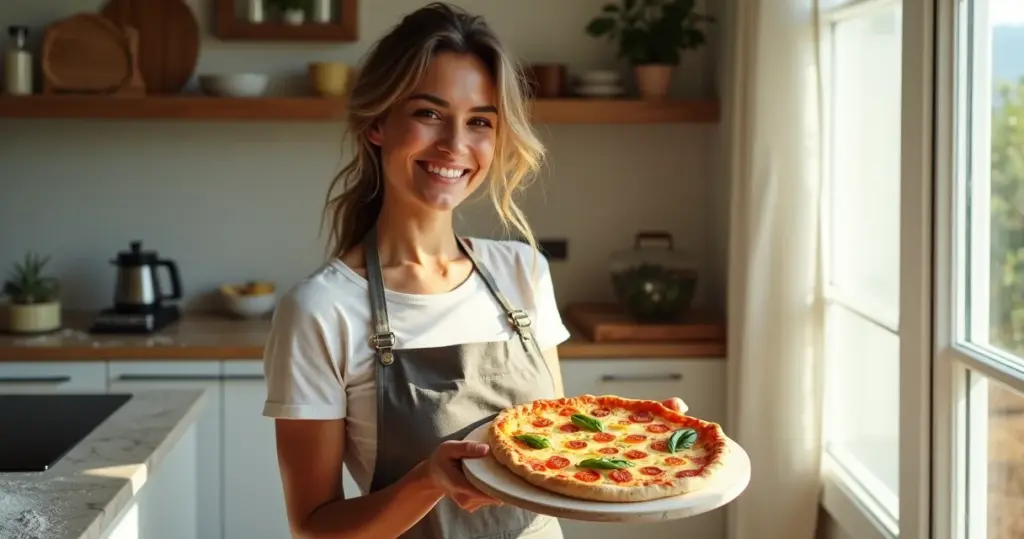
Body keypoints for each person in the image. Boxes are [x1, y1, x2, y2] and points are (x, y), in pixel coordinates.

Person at [261, 3, 686, 538]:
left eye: (480, 121)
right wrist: (428, 481)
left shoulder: (521, 271)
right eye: (429, 113)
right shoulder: (320, 310)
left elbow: (555, 447)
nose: (455, 145)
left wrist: (636, 434)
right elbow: (313, 529)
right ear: (377, 123)